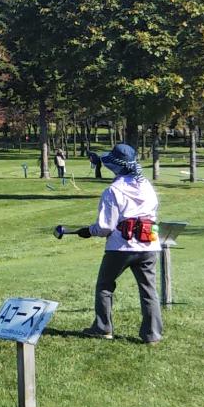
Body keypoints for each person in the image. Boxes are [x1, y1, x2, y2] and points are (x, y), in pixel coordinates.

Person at [62, 143, 162, 343]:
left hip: (120, 247)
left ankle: (102, 328)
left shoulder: (112, 191)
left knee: (105, 286)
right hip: (149, 245)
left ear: (116, 166)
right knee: (149, 290)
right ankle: (152, 334)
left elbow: (105, 226)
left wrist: (88, 231)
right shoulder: (147, 186)